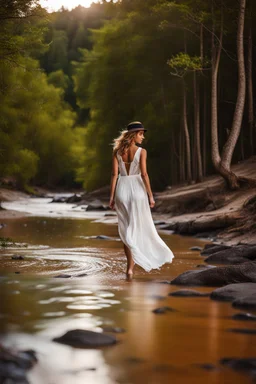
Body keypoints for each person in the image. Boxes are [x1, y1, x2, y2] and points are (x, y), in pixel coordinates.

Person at [109, 121, 174, 278]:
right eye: (141, 134)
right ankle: (136, 264)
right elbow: (144, 174)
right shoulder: (142, 152)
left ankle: (129, 268)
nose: (143, 137)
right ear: (133, 135)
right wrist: (150, 195)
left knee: (125, 231)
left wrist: (111, 197)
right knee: (139, 228)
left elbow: (114, 175)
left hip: (122, 190)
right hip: (137, 191)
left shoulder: (117, 152)